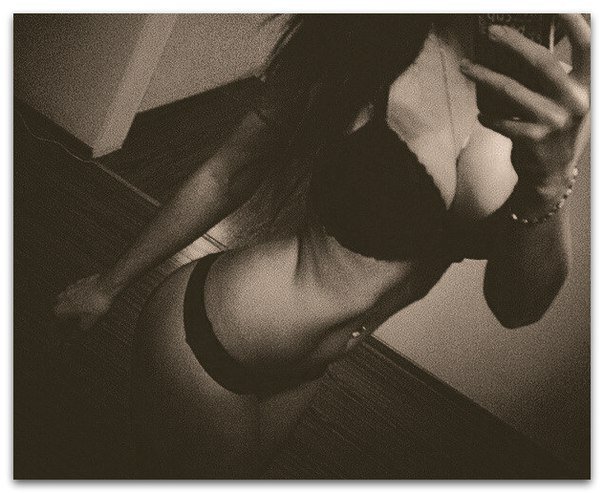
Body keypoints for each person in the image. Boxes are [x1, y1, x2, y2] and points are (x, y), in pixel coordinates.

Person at [53, 14, 590, 479]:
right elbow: (229, 170)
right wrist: (107, 285)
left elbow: (518, 308)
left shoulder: (554, 114)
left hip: (306, 372)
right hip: (212, 340)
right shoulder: (365, 33)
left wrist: (549, 183)